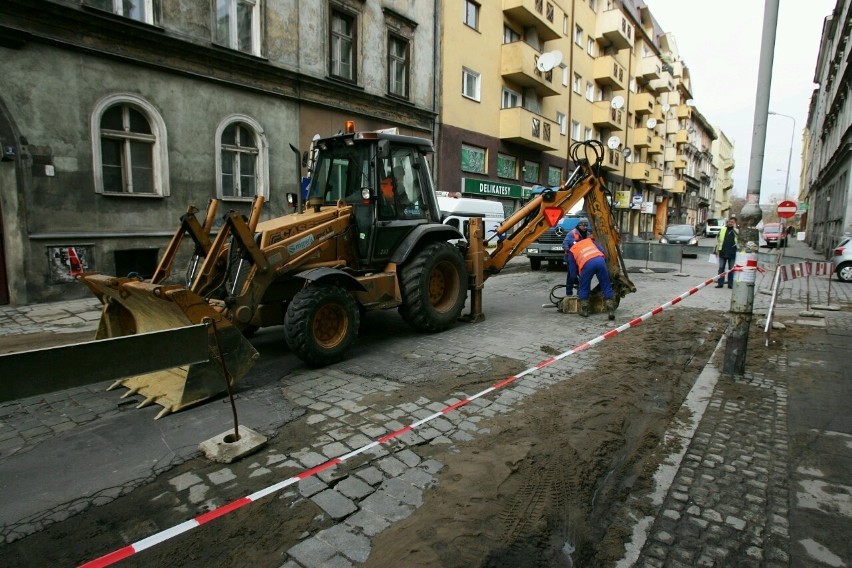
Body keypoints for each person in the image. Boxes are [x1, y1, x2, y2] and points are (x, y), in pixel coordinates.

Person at [567, 236, 616, 320]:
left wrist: (576, 281)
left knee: (584, 287)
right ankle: (610, 310)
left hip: (587, 264)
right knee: (606, 285)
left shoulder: (572, 251)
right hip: (600, 261)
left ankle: (585, 310)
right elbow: (602, 251)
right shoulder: (589, 241)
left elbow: (573, 273)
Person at [562, 218, 592, 296]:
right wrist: (569, 251)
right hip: (572, 258)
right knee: (571, 276)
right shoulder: (572, 233)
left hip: (582, 259)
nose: (585, 227)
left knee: (583, 276)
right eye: (584, 225)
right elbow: (565, 243)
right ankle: (569, 294)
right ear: (579, 225)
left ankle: (580, 294)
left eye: (586, 225)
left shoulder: (588, 234)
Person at [715, 215, 738, 288]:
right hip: (723, 252)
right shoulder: (722, 229)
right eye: (729, 222)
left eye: (732, 222)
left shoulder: (737, 231)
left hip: (732, 253)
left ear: (735, 223)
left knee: (731, 269)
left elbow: (740, 240)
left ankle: (730, 284)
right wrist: (716, 250)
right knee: (721, 268)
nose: (730, 223)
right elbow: (717, 240)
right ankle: (720, 283)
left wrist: (734, 229)